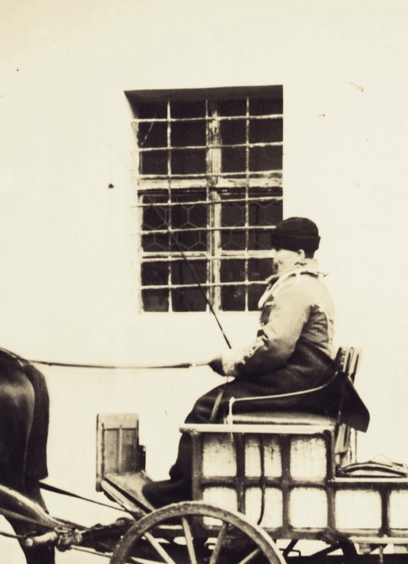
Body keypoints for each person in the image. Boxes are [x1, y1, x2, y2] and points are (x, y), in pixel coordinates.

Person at [143, 216, 366, 506]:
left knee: (205, 408)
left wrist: (230, 363)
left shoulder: (296, 288)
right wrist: (232, 359)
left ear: (300, 255)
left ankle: (183, 491)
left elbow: (275, 347)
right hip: (306, 377)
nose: (272, 256)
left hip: (298, 379)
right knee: (215, 402)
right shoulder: (310, 285)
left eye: (279, 249)